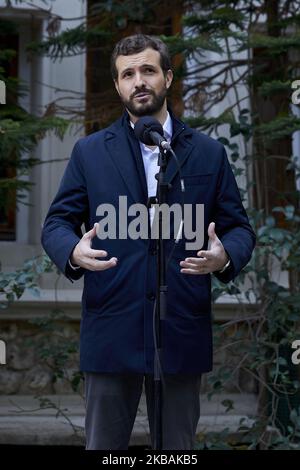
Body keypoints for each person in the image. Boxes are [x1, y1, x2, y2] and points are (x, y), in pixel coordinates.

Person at [41, 34, 256, 450]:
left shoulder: (208, 154)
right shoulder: (90, 152)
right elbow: (56, 224)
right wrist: (72, 250)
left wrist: (224, 254)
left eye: (148, 70)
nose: (139, 81)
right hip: (111, 329)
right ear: (119, 85)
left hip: (180, 330)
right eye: (128, 74)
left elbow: (239, 229)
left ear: (168, 77)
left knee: (176, 453)